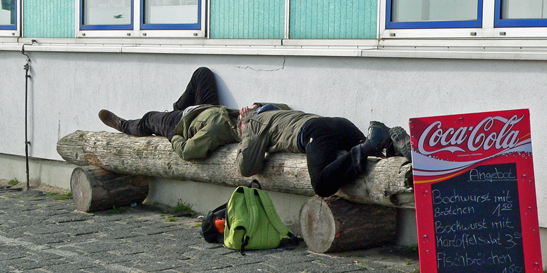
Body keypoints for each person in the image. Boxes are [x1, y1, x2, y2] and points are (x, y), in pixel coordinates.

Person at [236, 106, 412, 198]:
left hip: (315, 132)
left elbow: (247, 167)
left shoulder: (253, 124)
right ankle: (391, 145)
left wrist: (241, 145)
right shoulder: (277, 113)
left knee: (321, 184)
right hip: (339, 124)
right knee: (375, 157)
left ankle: (369, 145)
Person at [98, 67, 242, 160]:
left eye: (247, 116)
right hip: (207, 109)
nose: (245, 110)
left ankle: (123, 125)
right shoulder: (238, 120)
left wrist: (173, 136)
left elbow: (187, 151)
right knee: (202, 73)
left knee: (149, 118)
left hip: (181, 122)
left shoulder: (216, 130)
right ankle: (176, 109)